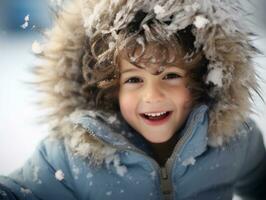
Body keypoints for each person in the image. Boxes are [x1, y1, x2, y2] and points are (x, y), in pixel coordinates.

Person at [0, 0, 266, 199]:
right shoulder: (72, 156)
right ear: (113, 90)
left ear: (199, 81)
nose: (152, 95)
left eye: (170, 75)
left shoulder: (235, 141)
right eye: (134, 80)